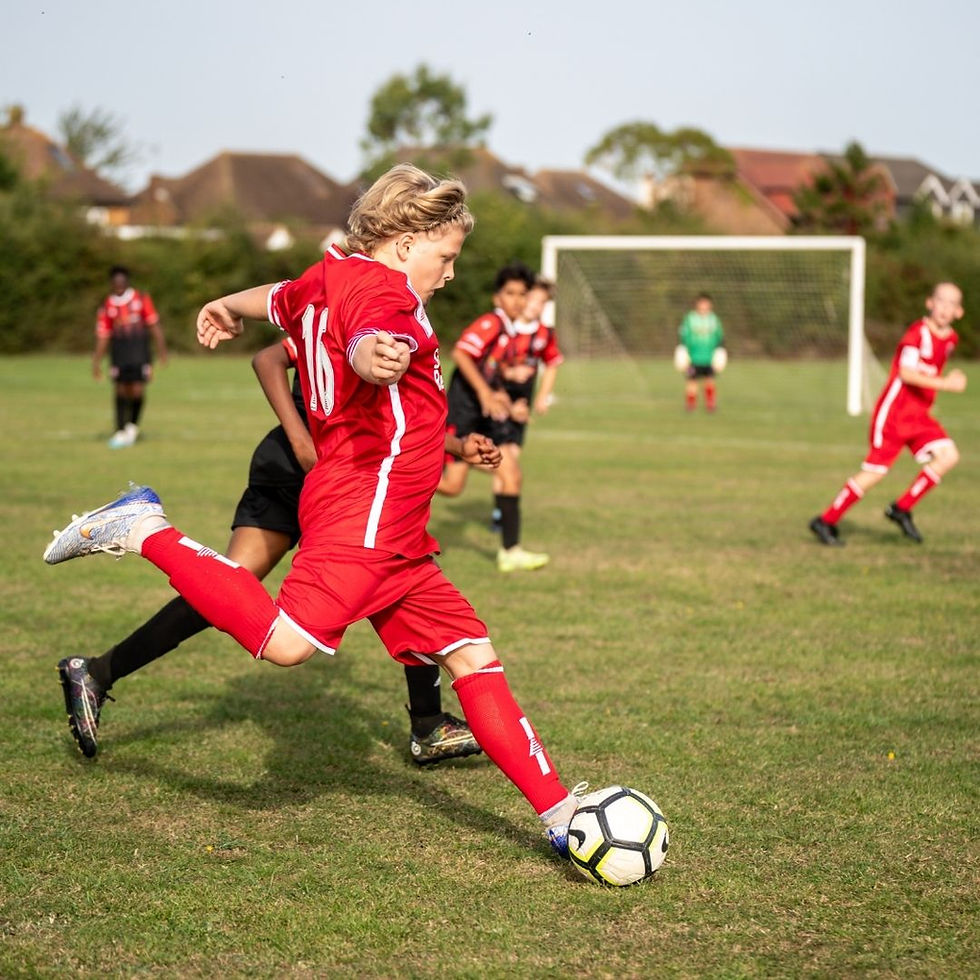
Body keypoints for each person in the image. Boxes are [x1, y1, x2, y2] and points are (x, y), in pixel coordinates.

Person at [44, 164, 581, 859]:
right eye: (445, 258)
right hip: (366, 508)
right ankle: (143, 528)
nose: (450, 275)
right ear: (404, 238)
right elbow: (369, 335)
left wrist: (224, 306)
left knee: (473, 658)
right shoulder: (381, 292)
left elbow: (279, 299)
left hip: (394, 527)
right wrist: (372, 354)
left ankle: (563, 814)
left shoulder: (329, 275)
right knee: (288, 644)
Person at [58, 335, 497, 764]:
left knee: (399, 572)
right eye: (440, 258)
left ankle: (428, 723)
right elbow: (267, 358)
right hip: (297, 467)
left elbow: (393, 423)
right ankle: (97, 672)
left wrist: (458, 446)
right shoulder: (341, 303)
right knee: (230, 586)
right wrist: (301, 437)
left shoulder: (398, 317)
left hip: (350, 477)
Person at [809, 282, 967, 546]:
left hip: (919, 417)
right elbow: (907, 373)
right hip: (894, 415)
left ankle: (901, 508)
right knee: (875, 473)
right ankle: (826, 520)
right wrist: (946, 384)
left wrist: (934, 395)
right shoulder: (917, 333)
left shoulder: (951, 339)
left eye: (952, 303)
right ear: (930, 303)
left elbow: (930, 371)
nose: (945, 307)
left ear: (959, 312)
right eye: (941, 300)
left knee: (949, 456)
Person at [438, 266, 562, 573]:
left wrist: (508, 403)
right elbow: (462, 354)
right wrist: (483, 394)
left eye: (523, 294)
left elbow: (493, 375)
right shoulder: (491, 323)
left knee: (510, 474)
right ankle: (393, 474)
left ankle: (510, 551)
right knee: (453, 487)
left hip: (483, 420)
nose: (518, 300)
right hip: (462, 416)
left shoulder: (508, 332)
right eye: (510, 293)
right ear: (497, 297)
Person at [92, 265, 168, 448]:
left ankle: (132, 425)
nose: (119, 285)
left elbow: (153, 325)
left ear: (127, 282)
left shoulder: (141, 299)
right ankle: (120, 429)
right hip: (119, 354)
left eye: (122, 282)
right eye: (115, 282)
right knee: (120, 389)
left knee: (137, 390)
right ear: (111, 284)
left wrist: (161, 350)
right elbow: (103, 335)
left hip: (140, 353)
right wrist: (96, 361)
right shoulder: (107, 305)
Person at [678, 292, 724, 412]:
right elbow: (683, 336)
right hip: (693, 356)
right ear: (697, 304)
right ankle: (690, 405)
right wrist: (682, 352)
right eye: (701, 304)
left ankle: (710, 404)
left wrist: (720, 352)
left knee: (709, 381)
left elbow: (719, 337)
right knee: (692, 381)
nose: (703, 306)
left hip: (709, 356)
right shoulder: (690, 318)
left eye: (706, 304)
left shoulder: (714, 319)